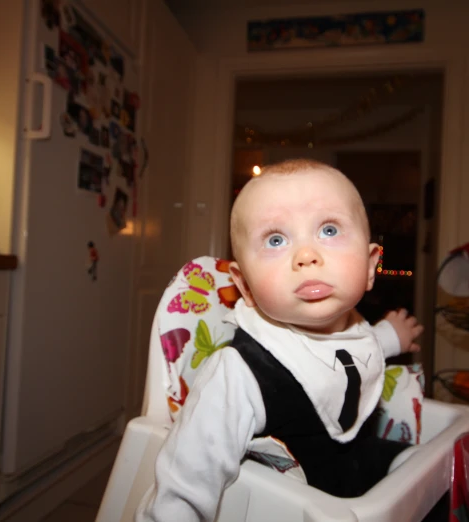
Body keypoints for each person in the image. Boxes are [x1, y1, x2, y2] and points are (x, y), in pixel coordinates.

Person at [139, 159, 424, 522]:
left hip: (361, 468)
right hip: (295, 502)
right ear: (245, 287)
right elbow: (189, 478)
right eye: (276, 239)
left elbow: (352, 354)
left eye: (329, 230)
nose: (306, 256)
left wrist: (391, 337)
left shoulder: (354, 330)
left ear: (370, 267)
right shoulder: (238, 373)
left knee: (437, 468)